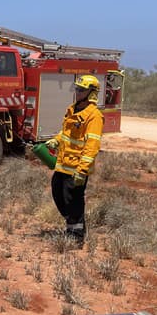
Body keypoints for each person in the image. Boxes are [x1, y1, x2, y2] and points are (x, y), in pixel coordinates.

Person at [45, 75, 104, 245]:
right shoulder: (72, 110)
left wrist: (82, 170)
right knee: (58, 193)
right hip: (63, 164)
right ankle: (72, 223)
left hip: (77, 168)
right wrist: (56, 140)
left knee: (74, 200)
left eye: (81, 90)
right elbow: (67, 133)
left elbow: (92, 145)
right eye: (76, 89)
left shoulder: (94, 116)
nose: (77, 92)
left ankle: (76, 237)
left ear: (91, 93)